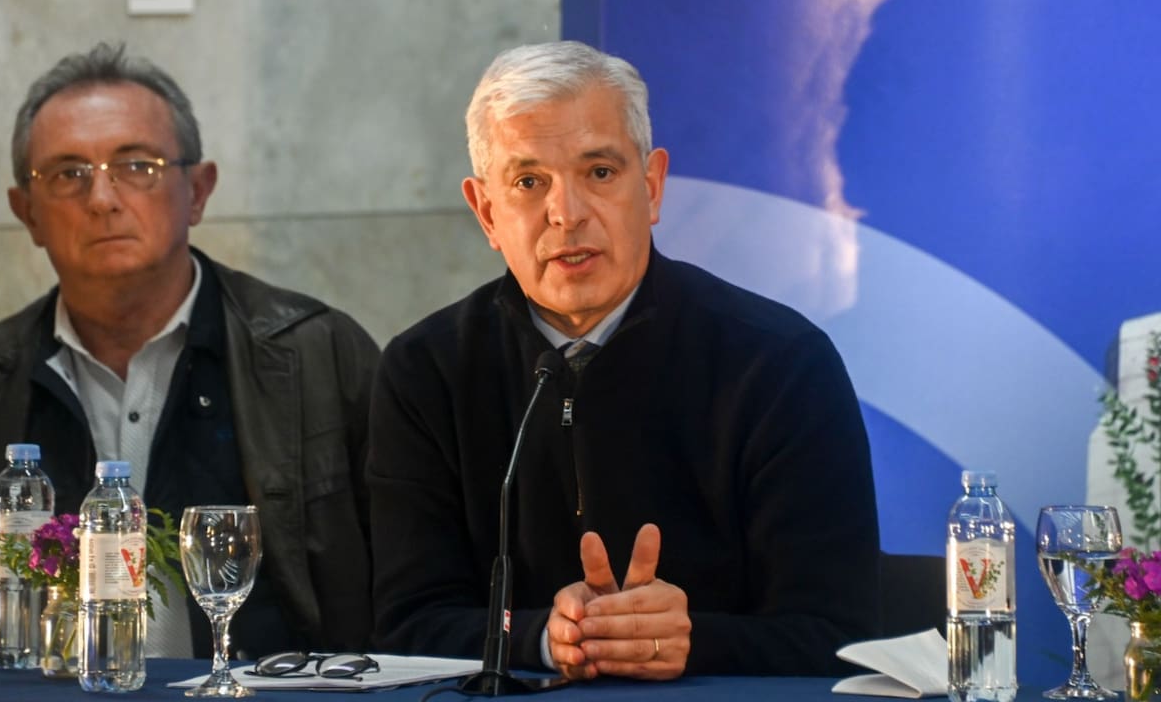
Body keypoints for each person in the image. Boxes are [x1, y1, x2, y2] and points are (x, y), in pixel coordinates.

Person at [367, 40, 881, 680]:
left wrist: (687, 641)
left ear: (653, 186)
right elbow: (406, 625)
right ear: (487, 213)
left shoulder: (780, 364)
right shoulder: (425, 371)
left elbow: (839, 633)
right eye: (529, 183)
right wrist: (548, 639)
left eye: (600, 173)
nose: (567, 214)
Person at [0, 43, 379, 660]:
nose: (102, 199)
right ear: (27, 213)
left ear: (198, 191)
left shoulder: (318, 355)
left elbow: (403, 588)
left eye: (137, 166)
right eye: (69, 174)